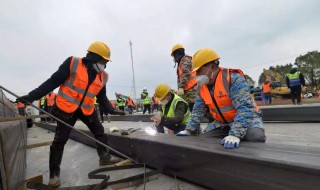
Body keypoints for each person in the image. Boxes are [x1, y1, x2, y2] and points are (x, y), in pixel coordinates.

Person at [16, 41, 125, 187]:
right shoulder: (73, 63)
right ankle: (54, 175)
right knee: (60, 140)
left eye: (106, 62)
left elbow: (102, 97)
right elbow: (52, 83)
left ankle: (104, 157)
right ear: (92, 57)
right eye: (102, 61)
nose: (104, 65)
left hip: (86, 109)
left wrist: (112, 109)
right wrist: (31, 96)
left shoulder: (103, 76)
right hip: (65, 109)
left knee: (100, 132)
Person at [176, 48, 266, 149]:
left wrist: (235, 134)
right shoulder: (201, 87)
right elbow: (197, 110)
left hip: (248, 118)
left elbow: (245, 108)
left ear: (213, 67)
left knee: (255, 137)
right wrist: (189, 130)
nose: (196, 75)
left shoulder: (233, 79)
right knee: (205, 140)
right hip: (222, 123)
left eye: (199, 71)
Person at [171, 44, 197, 111]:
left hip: (192, 90)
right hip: (188, 89)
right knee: (189, 108)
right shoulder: (183, 61)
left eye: (174, 56)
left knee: (192, 108)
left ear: (177, 54)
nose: (174, 58)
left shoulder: (185, 60)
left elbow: (185, 73)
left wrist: (181, 87)